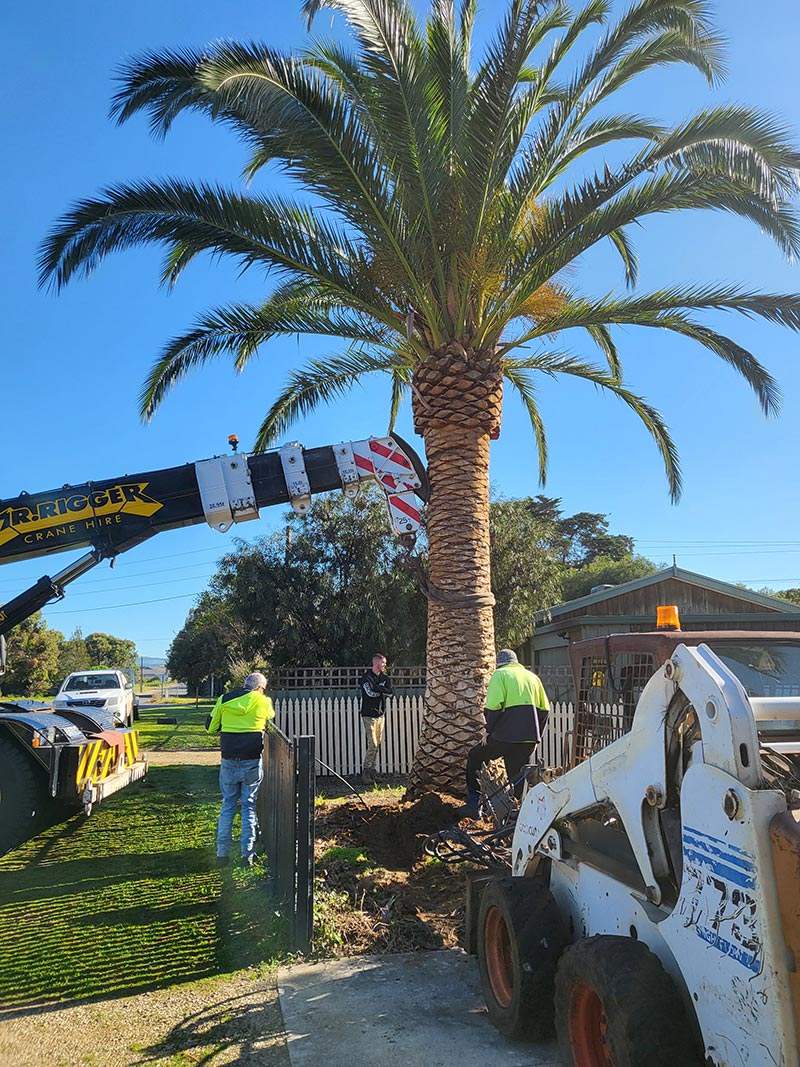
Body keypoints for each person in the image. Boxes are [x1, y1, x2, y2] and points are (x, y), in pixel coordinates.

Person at [458, 650, 550, 819]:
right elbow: (545, 710)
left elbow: (493, 706)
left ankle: (473, 805)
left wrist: (488, 731)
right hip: (528, 738)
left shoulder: (500, 675)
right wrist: (537, 736)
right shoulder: (533, 678)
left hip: (504, 737)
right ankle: (517, 815)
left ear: (499, 664)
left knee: (475, 757)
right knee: (517, 774)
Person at [206, 671, 274, 866]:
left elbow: (211, 727)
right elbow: (270, 718)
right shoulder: (263, 701)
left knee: (228, 805)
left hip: (229, 760)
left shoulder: (224, 699)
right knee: (249, 807)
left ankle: (222, 854)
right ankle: (247, 854)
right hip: (252, 760)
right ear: (260, 688)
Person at [359, 653, 393, 782]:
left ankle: (372, 771)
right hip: (369, 715)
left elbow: (390, 693)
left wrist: (379, 689)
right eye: (383, 663)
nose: (384, 665)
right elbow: (369, 693)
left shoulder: (385, 677)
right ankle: (366, 771)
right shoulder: (366, 677)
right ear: (376, 663)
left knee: (377, 744)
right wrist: (381, 690)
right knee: (372, 743)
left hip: (380, 715)